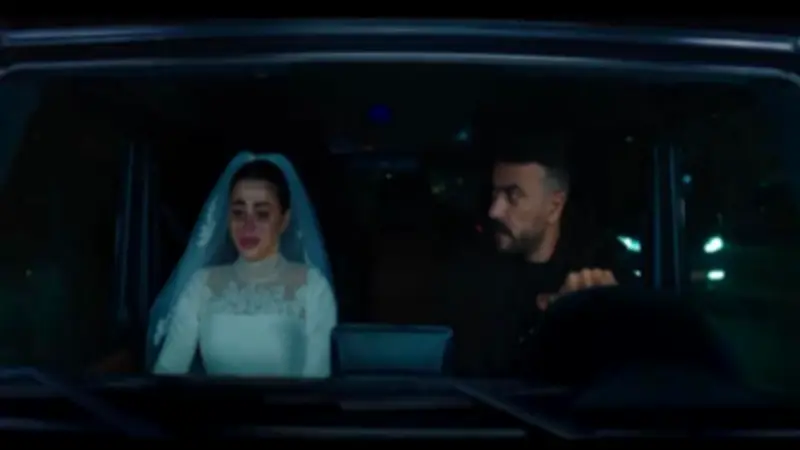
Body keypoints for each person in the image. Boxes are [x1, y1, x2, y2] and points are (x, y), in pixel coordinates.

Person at [439, 125, 633, 378]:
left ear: (554, 206)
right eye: (495, 194)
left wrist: (597, 312)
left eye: (513, 196)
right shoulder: (473, 274)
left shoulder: (599, 270)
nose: (494, 211)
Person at [148, 152, 337, 378]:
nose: (248, 226)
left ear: (284, 220)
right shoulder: (202, 285)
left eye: (262, 214)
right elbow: (168, 373)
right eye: (238, 213)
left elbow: (318, 379)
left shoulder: (312, 286)